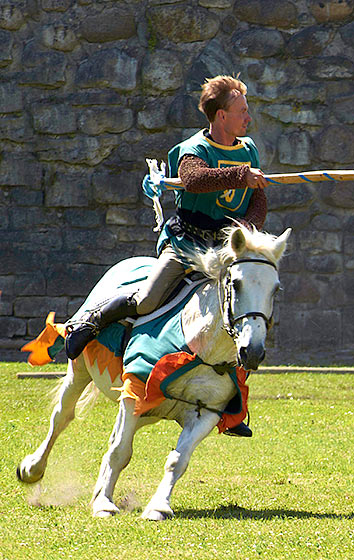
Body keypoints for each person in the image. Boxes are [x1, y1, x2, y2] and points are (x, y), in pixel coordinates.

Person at [65, 75, 269, 437]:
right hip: (186, 244)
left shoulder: (248, 149)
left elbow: (258, 199)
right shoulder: (192, 149)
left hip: (223, 249)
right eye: (242, 111)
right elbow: (193, 179)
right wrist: (241, 176)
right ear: (221, 116)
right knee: (148, 299)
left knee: (240, 312)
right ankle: (91, 321)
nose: (248, 118)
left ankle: (230, 404)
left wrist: (246, 230)